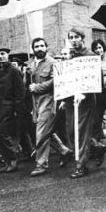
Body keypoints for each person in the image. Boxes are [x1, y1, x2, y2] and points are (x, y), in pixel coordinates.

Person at [28, 37, 73, 176]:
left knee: (41, 132)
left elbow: (56, 81)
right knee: (46, 131)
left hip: (49, 102)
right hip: (36, 104)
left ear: (46, 47)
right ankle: (64, 150)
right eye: (37, 46)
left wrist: (38, 87)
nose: (40, 48)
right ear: (33, 49)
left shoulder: (54, 63)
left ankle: (41, 164)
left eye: (42, 45)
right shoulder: (31, 65)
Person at [65, 28, 105, 178]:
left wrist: (85, 93)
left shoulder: (91, 56)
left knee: (81, 132)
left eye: (76, 37)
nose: (74, 40)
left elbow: (97, 80)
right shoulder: (70, 57)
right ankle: (96, 147)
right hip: (71, 100)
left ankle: (81, 165)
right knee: (71, 131)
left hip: (85, 100)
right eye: (71, 37)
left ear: (82, 38)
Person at [0, 47, 26, 173]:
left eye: (3, 54)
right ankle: (7, 162)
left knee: (2, 134)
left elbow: (21, 92)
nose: (0, 56)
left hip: (11, 108)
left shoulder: (14, 70)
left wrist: (17, 110)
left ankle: (13, 161)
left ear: (8, 55)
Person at [91, 39, 106, 142]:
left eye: (100, 47)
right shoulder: (92, 61)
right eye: (95, 48)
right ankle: (97, 145)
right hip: (97, 94)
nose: (98, 50)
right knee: (96, 120)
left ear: (103, 48)